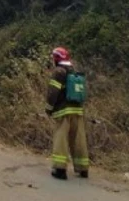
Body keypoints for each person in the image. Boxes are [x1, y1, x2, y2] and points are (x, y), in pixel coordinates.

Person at [45, 46, 90, 180]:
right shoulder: (74, 70)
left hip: (63, 111)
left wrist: (48, 108)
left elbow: (53, 92)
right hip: (78, 110)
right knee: (79, 139)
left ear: (56, 58)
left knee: (61, 139)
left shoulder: (58, 72)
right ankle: (83, 169)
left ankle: (60, 169)